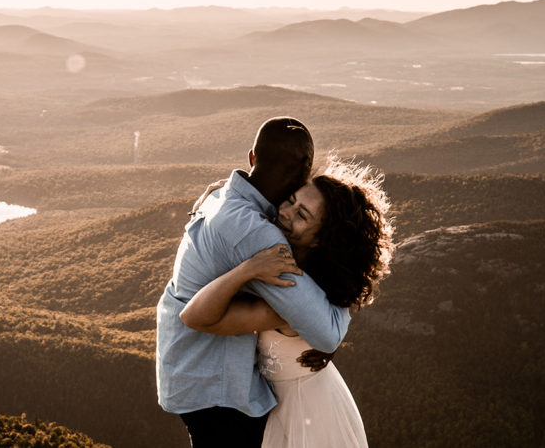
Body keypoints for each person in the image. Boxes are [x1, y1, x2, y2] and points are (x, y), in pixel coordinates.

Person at [156, 117, 351, 447]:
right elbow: (326, 331)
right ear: (305, 168)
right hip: (216, 385)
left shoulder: (224, 195)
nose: (289, 211)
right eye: (293, 204)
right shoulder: (257, 233)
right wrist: (326, 324)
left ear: (251, 157)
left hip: (192, 370)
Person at [180, 158, 394, 448]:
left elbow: (193, 316)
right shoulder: (317, 277)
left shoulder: (287, 290)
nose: (283, 212)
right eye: (290, 200)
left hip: (307, 416)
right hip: (302, 401)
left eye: (302, 214)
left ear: (321, 240)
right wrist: (206, 208)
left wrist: (247, 269)